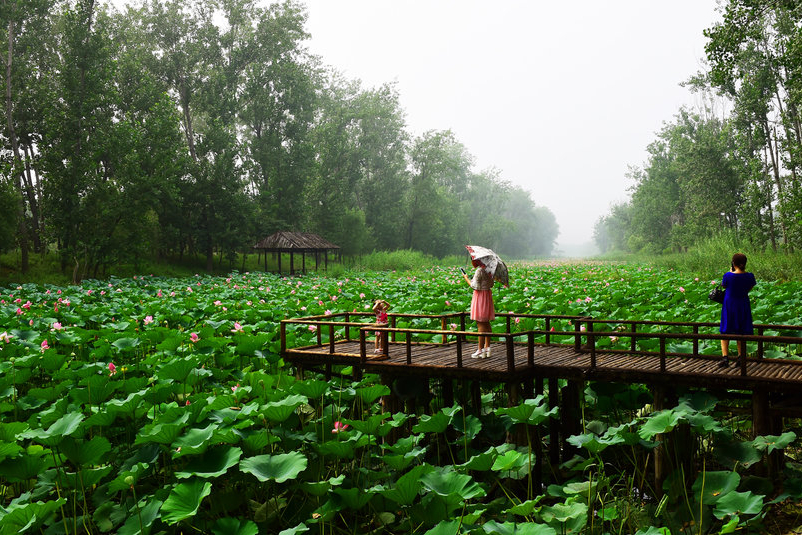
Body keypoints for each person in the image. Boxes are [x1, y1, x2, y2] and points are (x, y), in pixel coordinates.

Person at [719, 253, 756, 367]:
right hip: (743, 304)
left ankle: (725, 358)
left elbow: (724, 286)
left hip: (730, 304)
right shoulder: (750, 276)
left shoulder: (728, 276)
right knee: (741, 331)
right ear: (745, 263)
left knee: (725, 330)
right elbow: (749, 287)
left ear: (733, 263)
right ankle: (740, 357)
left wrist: (731, 271)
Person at [462, 259, 495, 358]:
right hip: (487, 296)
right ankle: (487, 348)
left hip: (480, 296)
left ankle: (480, 350)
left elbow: (474, 286)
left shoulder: (479, 271)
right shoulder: (490, 270)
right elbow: (492, 284)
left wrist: (466, 278)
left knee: (480, 324)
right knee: (486, 323)